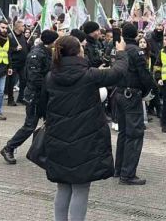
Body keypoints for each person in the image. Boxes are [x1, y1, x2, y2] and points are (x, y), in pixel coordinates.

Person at [44, 35, 128, 221]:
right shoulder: (89, 75)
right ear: (78, 52)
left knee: (63, 186)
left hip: (57, 138)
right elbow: (118, 72)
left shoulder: (51, 76)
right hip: (85, 139)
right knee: (81, 188)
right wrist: (121, 53)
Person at [0, 30, 58, 164]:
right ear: (51, 41)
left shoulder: (48, 52)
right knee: (30, 125)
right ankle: (9, 148)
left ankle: (41, 150)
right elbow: (33, 78)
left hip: (45, 95)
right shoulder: (37, 54)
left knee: (50, 123)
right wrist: (49, 85)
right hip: (35, 96)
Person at [113, 22, 157, 185]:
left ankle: (119, 169)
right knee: (135, 133)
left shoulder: (119, 48)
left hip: (119, 92)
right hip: (131, 95)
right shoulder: (136, 51)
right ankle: (128, 174)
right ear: (136, 34)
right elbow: (144, 74)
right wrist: (151, 89)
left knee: (124, 133)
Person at [9, 20, 29, 106]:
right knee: (11, 82)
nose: (24, 27)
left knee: (24, 80)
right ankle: (10, 99)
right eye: (23, 26)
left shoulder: (23, 36)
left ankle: (21, 98)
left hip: (22, 63)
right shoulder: (10, 36)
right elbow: (7, 49)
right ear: (18, 27)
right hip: (13, 63)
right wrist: (15, 49)